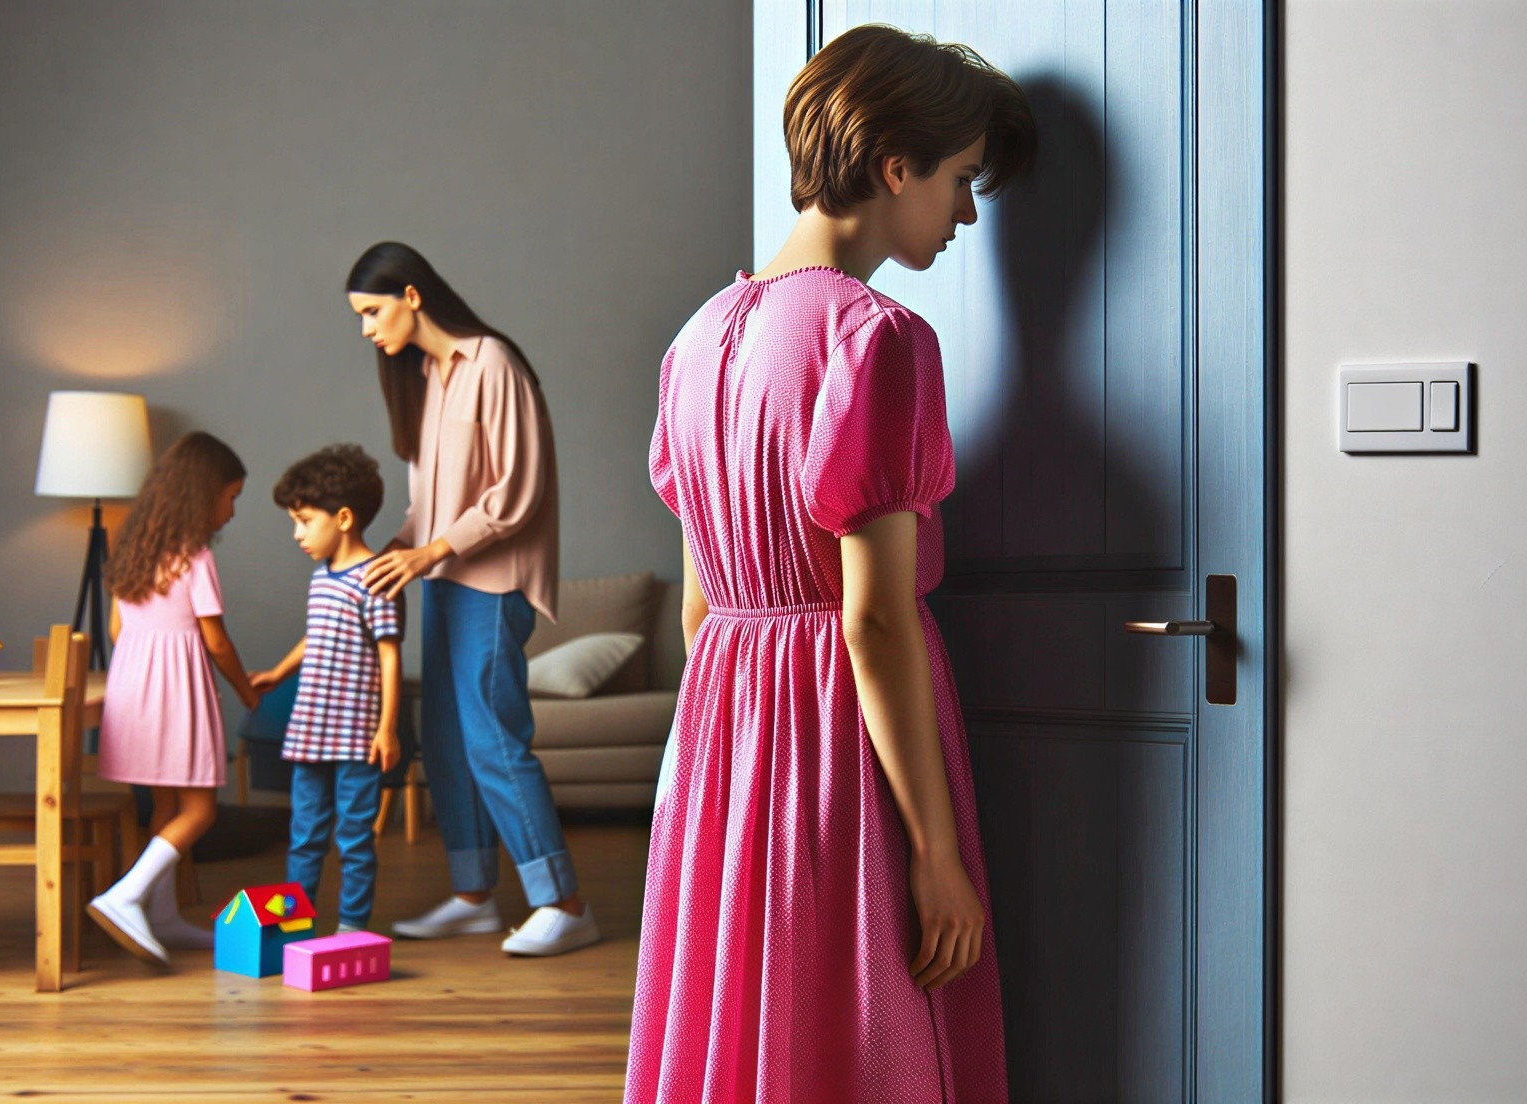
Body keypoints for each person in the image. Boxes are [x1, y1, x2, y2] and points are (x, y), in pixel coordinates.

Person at [626, 24, 1037, 1103]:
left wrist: (727, 748)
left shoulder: (695, 341)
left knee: (748, 1006)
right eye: (958, 179)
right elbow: (875, 620)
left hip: (728, 722)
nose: (965, 212)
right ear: (894, 165)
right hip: (836, 725)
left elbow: (702, 604)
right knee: (860, 1019)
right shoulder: (877, 339)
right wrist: (935, 849)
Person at [347, 241, 599, 956]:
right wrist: (398, 547)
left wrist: (430, 550)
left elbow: (515, 493)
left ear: (412, 296)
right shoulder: (426, 376)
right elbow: (430, 502)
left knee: (493, 738)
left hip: (491, 583)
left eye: (372, 311)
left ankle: (565, 903)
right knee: (448, 744)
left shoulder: (492, 363)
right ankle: (473, 895)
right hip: (444, 580)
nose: (368, 328)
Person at [87, 431, 262, 965]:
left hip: (133, 690)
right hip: (176, 694)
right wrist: (243, 687)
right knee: (201, 809)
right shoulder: (197, 557)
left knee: (165, 804)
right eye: (230, 496)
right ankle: (127, 895)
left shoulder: (134, 546)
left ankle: (160, 917)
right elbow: (216, 640)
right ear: (203, 493)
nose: (232, 510)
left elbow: (118, 629)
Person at [250, 443, 403, 935]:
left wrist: (387, 730)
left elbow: (390, 655)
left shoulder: (375, 580)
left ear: (342, 518)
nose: (297, 534)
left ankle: (352, 930)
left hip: (357, 738)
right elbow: (316, 635)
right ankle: (294, 925)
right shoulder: (321, 579)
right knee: (304, 836)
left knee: (355, 838)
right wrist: (279, 671)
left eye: (304, 521)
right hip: (310, 733)